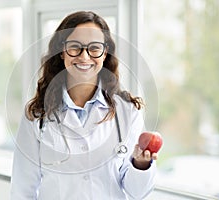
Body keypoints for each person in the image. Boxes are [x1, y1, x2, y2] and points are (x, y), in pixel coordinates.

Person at [11, 11, 158, 200]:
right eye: (75, 47)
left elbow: (137, 192)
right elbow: (22, 189)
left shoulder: (127, 112)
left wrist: (140, 164)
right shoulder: (37, 115)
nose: (85, 56)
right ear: (62, 51)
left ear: (105, 53)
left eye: (94, 48)